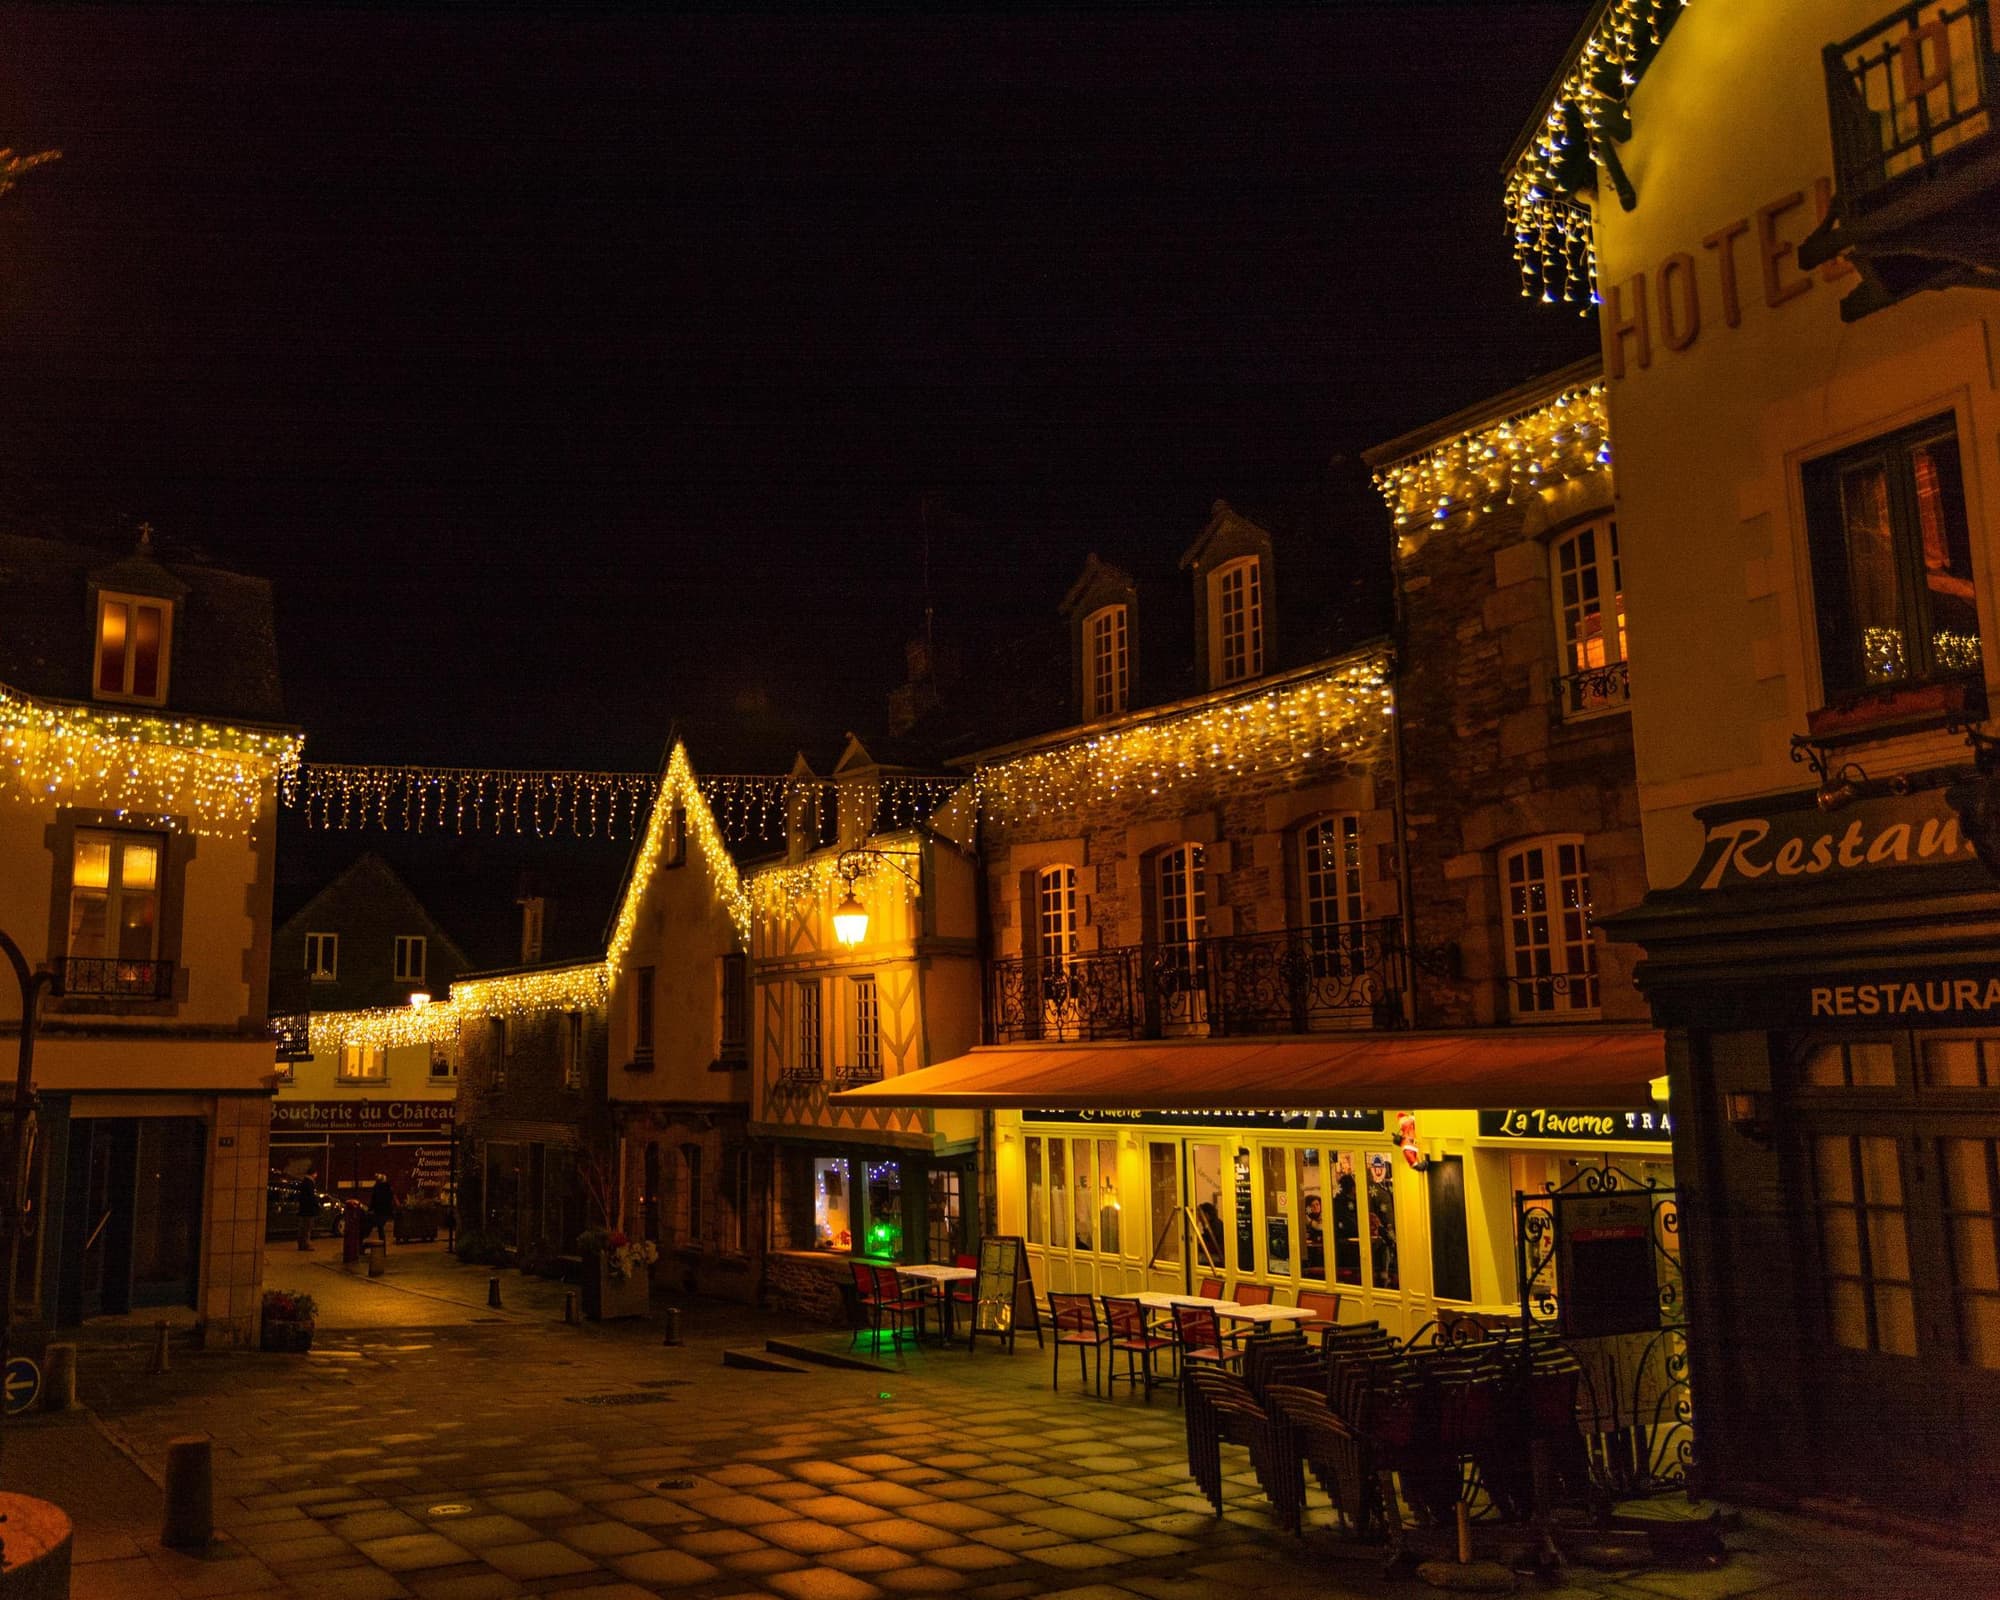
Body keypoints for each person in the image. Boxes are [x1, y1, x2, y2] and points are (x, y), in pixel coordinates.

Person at [365, 1173, 398, 1247]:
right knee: (380, 1227)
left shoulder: (377, 1188)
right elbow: (391, 1199)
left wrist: (370, 1209)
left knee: (372, 1225)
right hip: (386, 1211)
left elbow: (374, 1200)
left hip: (378, 1211)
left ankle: (367, 1241)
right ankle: (382, 1245)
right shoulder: (388, 1188)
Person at [294, 1174, 320, 1252]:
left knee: (302, 1227)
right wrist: (316, 1204)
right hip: (308, 1209)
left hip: (303, 1209)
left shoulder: (304, 1182)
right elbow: (311, 1196)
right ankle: (306, 1244)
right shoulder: (309, 1183)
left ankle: (301, 1244)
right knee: (307, 1227)